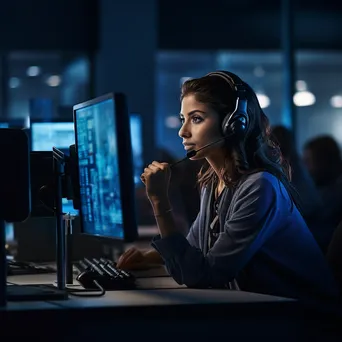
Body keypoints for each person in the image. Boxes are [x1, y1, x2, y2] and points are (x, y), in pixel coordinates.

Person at [117, 71, 338, 302]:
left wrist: (159, 201)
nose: (183, 131)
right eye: (183, 120)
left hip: (305, 320)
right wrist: (152, 257)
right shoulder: (214, 183)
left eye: (197, 119)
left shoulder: (260, 187)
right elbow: (197, 251)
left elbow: (205, 274)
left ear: (233, 124)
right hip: (266, 313)